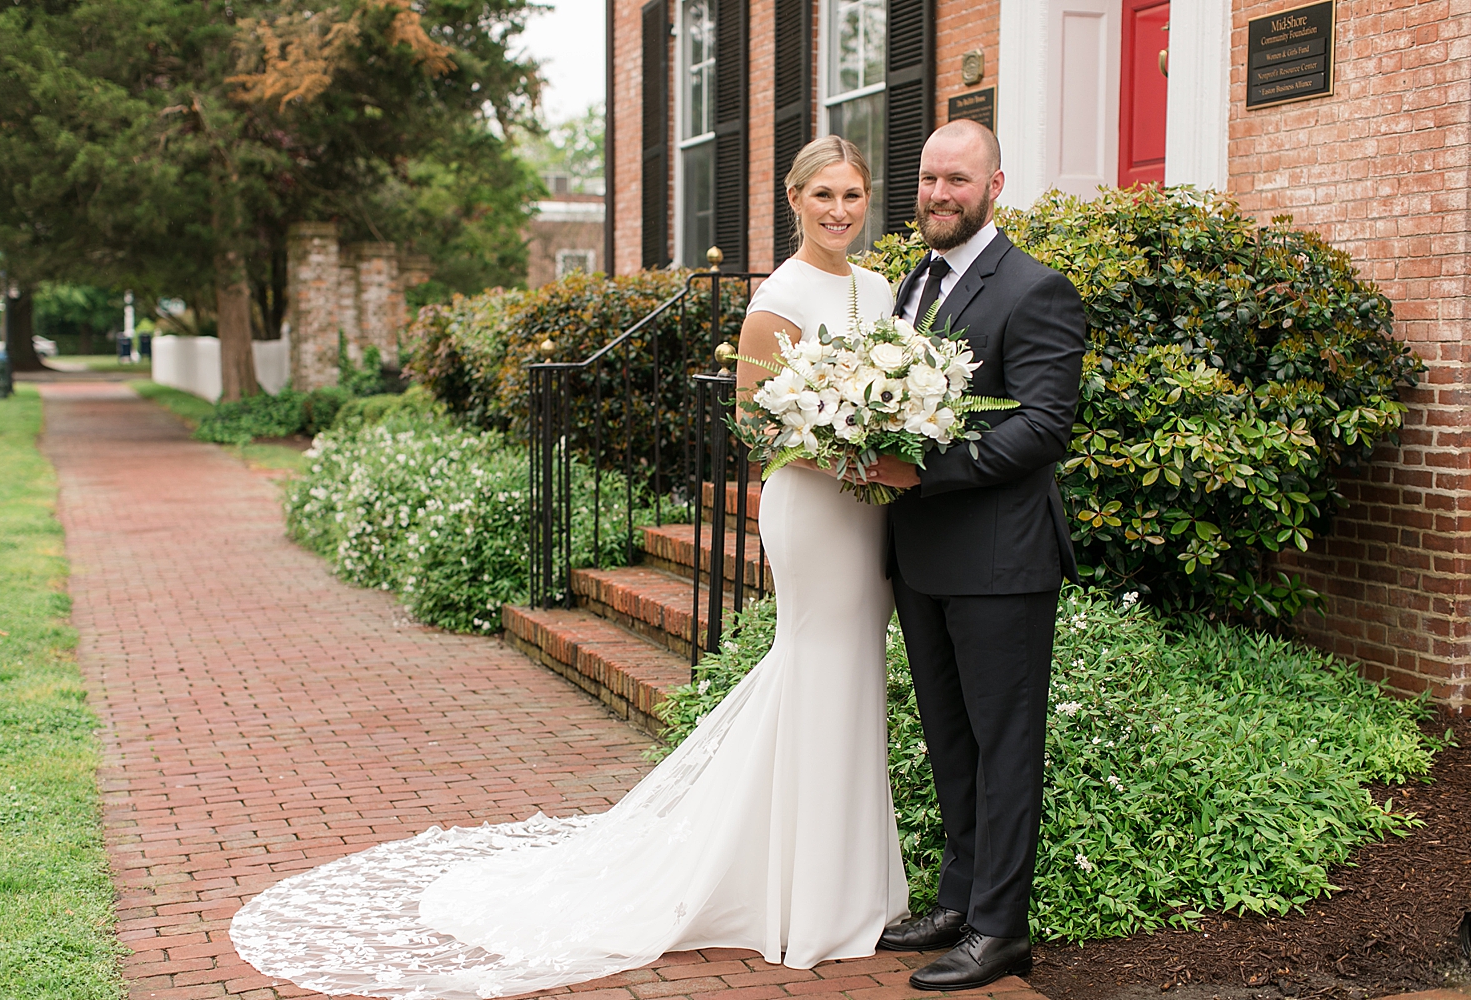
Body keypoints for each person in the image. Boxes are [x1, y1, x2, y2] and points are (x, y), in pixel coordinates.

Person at [227, 135, 909, 1000]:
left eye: (853, 195)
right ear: (793, 199)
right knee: (816, 667)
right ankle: (805, 894)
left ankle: (851, 881)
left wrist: (891, 445)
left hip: (870, 513)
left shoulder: (882, 289)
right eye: (824, 196)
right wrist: (851, 459)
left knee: (854, 675)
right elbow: (757, 426)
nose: (840, 211)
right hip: (814, 510)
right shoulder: (776, 299)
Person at [866, 120, 1087, 990]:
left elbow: (1042, 425)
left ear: (997, 184)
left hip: (1001, 560)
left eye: (957, 180)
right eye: (927, 179)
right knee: (951, 741)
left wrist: (921, 474)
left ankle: (1001, 929)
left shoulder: (1035, 290)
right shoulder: (912, 283)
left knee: (1005, 748)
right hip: (920, 557)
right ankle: (958, 899)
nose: (936, 195)